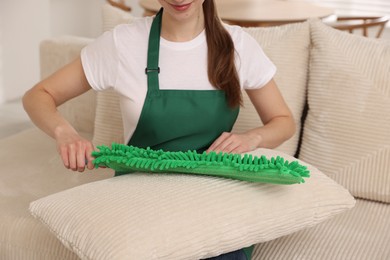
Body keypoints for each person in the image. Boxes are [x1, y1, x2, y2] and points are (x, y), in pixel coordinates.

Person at [23, 0, 295, 259]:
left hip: (214, 200)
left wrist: (252, 137)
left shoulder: (239, 46)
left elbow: (283, 120)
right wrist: (65, 134)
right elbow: (39, 95)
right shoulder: (123, 43)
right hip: (141, 200)